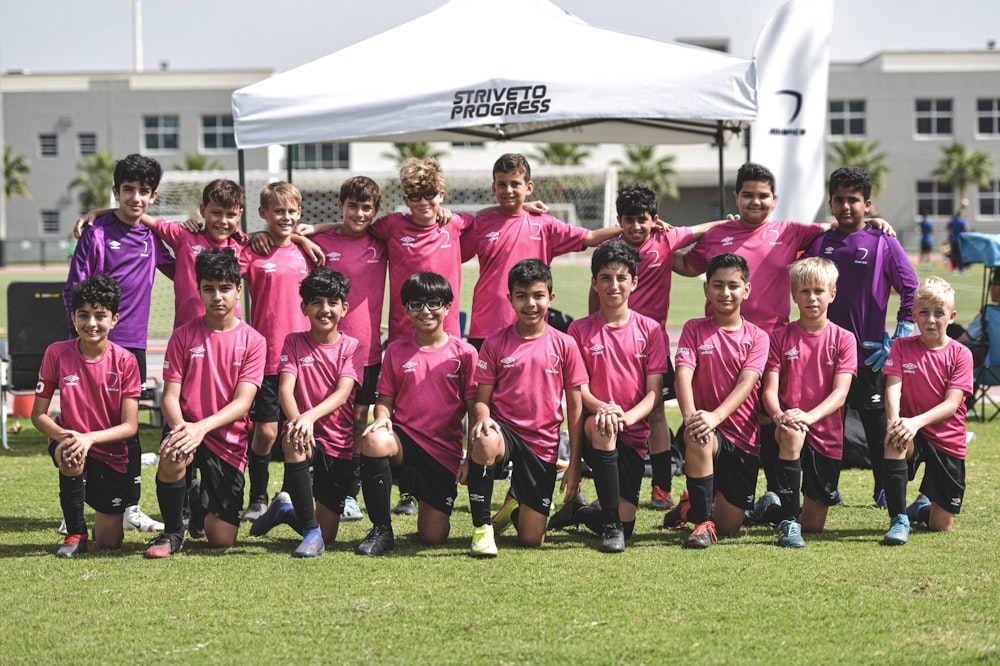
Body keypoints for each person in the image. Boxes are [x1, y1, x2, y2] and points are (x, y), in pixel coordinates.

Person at [593, 184, 725, 511]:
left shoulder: (665, 238)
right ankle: (614, 484)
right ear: (619, 220)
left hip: (652, 345)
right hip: (614, 347)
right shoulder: (611, 251)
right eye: (629, 220)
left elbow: (702, 229)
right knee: (610, 410)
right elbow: (595, 293)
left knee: (654, 414)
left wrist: (730, 222)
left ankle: (662, 488)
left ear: (654, 219)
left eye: (643, 219)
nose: (636, 227)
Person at [62, 153, 174, 534]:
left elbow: (183, 268)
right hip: (93, 347)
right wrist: (81, 339)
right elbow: (74, 291)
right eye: (128, 190)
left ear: (153, 196)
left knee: (128, 427)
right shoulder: (96, 232)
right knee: (84, 425)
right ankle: (74, 505)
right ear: (116, 192)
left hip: (133, 349)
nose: (136, 198)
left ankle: (130, 506)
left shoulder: (153, 237)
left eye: (144, 191)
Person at [804, 166, 919, 509]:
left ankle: (883, 486)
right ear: (831, 202)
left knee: (874, 423)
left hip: (870, 352)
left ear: (867, 204)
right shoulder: (819, 242)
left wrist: (901, 332)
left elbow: (910, 287)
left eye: (853, 200)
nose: (846, 206)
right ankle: (827, 487)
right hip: (824, 352)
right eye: (839, 200)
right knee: (827, 423)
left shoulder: (883, 240)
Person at [145, 249, 266, 558]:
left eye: (225, 288)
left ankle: (198, 501)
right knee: (173, 453)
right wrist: (182, 429)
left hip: (226, 439)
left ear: (238, 290)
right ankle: (172, 532)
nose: (217, 296)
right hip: (187, 429)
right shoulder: (183, 336)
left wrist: (201, 428)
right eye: (209, 288)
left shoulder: (254, 341)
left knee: (221, 541)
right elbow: (170, 396)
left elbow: (242, 403)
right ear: (198, 290)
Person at [461, 259, 587, 557]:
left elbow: (576, 409)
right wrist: (477, 435)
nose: (530, 303)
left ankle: (514, 505)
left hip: (542, 442)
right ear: (510, 299)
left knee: (532, 540)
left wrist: (575, 466)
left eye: (538, 296)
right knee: (487, 436)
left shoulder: (565, 344)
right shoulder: (494, 343)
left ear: (550, 298)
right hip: (505, 431)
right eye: (522, 296)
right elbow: (481, 401)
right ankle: (482, 529)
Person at [551, 240, 667, 553]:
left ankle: (582, 512)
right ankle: (611, 527)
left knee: (630, 524)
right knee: (603, 424)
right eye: (605, 278)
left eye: (620, 278)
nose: (613, 285)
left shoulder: (652, 330)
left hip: (632, 429)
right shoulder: (578, 330)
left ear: (634, 282)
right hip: (597, 425)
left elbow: (654, 392)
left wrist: (627, 417)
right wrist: (606, 410)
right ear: (594, 282)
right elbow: (579, 393)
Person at [355, 272, 478, 556]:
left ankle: (424, 497)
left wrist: (469, 456)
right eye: (416, 304)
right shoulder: (397, 350)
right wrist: (382, 417)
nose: (425, 311)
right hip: (405, 442)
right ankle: (381, 529)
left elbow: (475, 411)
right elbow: (384, 399)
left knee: (432, 537)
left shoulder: (465, 353)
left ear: (449, 307)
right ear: (405, 310)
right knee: (374, 440)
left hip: (442, 453)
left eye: (434, 303)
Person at [249, 268, 365, 557]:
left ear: (344, 308)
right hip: (305, 434)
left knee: (331, 535)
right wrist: (298, 422)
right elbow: (285, 389)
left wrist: (308, 417)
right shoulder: (294, 341)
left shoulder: (353, 347)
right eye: (316, 302)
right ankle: (310, 533)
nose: (324, 309)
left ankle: (285, 511)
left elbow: (342, 394)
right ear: (304, 307)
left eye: (332, 302)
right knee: (292, 440)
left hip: (338, 444)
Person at [463, 153, 620, 350]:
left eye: (515, 184)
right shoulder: (481, 225)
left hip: (530, 327)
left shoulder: (545, 225)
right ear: (493, 188)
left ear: (529, 187)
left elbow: (589, 238)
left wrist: (626, 229)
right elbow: (452, 253)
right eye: (502, 184)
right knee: (484, 382)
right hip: (486, 327)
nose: (508, 190)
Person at [33, 275, 142, 557]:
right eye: (84, 315)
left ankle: (96, 523)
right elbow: (38, 416)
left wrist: (90, 438)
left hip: (110, 450)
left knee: (109, 543)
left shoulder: (126, 361)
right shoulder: (56, 353)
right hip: (68, 438)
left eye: (100, 316)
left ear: (114, 319)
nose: (91, 323)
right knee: (71, 453)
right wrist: (68, 437)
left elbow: (130, 426)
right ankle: (76, 534)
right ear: (73, 317)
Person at [669, 253, 769, 548]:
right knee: (698, 436)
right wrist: (691, 418)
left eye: (733, 286)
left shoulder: (757, 337)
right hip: (706, 429)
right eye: (717, 285)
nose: (725, 292)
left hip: (743, 439)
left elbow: (746, 383)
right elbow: (683, 375)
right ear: (706, 289)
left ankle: (688, 507)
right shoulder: (693, 329)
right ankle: (701, 524)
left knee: (730, 528)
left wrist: (716, 416)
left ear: (746, 290)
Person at [761, 258, 857, 548]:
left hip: (825, 432)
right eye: (804, 291)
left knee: (814, 525)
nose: (812, 298)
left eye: (818, 291)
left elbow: (840, 394)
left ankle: (771, 509)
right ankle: (789, 523)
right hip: (788, 425)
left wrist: (809, 417)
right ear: (793, 295)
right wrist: (779, 416)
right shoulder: (779, 337)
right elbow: (769, 390)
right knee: (792, 433)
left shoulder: (844, 339)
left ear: (832, 294)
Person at [308, 177, 387, 522]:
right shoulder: (320, 242)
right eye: (352, 206)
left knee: (357, 421)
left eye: (366, 207)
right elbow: (290, 237)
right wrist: (301, 232)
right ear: (340, 206)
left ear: (375, 210)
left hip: (366, 350)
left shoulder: (381, 241)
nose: (359, 213)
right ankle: (318, 483)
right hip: (326, 350)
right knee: (325, 419)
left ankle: (350, 493)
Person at [74, 178, 248, 329]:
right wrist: (99, 212)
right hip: (187, 332)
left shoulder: (243, 246)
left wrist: (260, 235)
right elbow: (136, 214)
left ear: (239, 215)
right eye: (216, 213)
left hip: (229, 333)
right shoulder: (184, 235)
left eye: (230, 215)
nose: (223, 221)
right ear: (203, 211)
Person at [241, 182, 314, 522]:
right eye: (278, 211)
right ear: (263, 214)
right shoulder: (253, 250)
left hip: (302, 359)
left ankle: (289, 494)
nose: (285, 217)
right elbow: (223, 247)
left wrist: (303, 237)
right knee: (266, 432)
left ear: (299, 213)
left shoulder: (308, 252)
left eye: (291, 211)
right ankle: (257, 496)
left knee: (297, 430)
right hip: (265, 357)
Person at [881, 277, 973, 545]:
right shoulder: (901, 346)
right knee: (894, 438)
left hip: (947, 440)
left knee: (940, 526)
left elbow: (951, 404)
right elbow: (893, 388)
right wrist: (895, 420)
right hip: (913, 433)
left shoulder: (960, 354)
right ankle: (898, 519)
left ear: (952, 316)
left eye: (939, 313)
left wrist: (915, 423)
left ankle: (922, 508)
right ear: (914, 315)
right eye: (924, 312)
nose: (931, 319)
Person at [947, 201, 969, 273]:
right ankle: (962, 268)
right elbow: (966, 229)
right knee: (961, 255)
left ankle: (955, 268)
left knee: (954, 254)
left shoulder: (953, 221)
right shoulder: (962, 221)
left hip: (954, 239)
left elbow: (948, 228)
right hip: (961, 240)